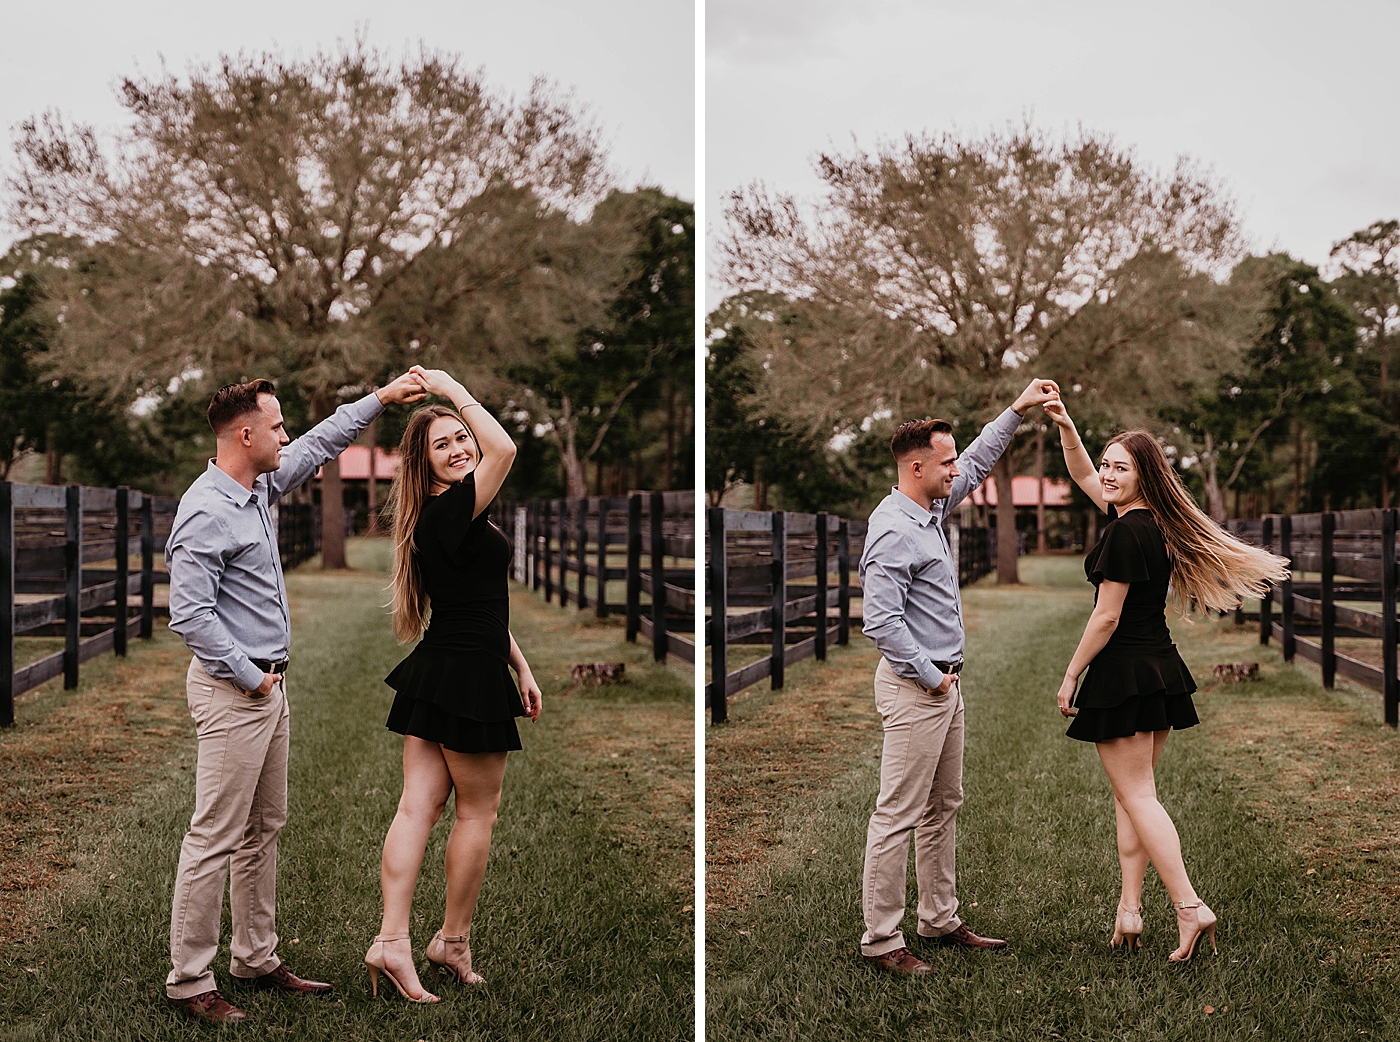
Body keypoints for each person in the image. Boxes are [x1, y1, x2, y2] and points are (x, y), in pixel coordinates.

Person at [164, 373, 427, 1024]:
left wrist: (382, 400)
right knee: (214, 836)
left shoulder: (257, 488)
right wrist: (249, 676)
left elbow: (318, 444)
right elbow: (191, 616)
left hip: (266, 686)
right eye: (276, 426)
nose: (286, 435)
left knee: (263, 828)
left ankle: (255, 957)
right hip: (236, 690)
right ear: (244, 434)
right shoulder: (205, 510)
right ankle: (189, 981)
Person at [1045, 401, 1288, 961]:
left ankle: (1188, 906)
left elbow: (1106, 616)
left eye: (1120, 467)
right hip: (1158, 669)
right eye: (1106, 463)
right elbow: (1082, 474)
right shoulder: (1149, 523)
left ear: (1143, 477)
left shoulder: (1125, 534)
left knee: (1138, 797)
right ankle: (1130, 910)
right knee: (1133, 798)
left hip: (1124, 672)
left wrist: (1070, 674)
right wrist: (1066, 429)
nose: (1105, 474)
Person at [857, 378, 1061, 976]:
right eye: (944, 463)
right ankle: (880, 940)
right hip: (917, 688)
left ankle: (939, 919)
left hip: (946, 686)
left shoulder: (932, 505)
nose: (955, 469)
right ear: (915, 466)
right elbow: (880, 620)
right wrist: (931, 677)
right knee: (898, 813)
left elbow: (975, 461)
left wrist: (1017, 410)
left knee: (943, 805)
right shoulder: (893, 528)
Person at [362, 365, 543, 1003]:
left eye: (461, 437)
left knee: (419, 806)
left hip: (447, 662)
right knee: (476, 811)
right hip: (465, 674)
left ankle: (391, 941)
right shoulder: (455, 506)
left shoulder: (436, 516)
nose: (462, 447)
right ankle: (451, 941)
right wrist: (451, 389)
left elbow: (478, 604)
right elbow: (508, 447)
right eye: (444, 444)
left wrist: (520, 665)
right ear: (425, 464)